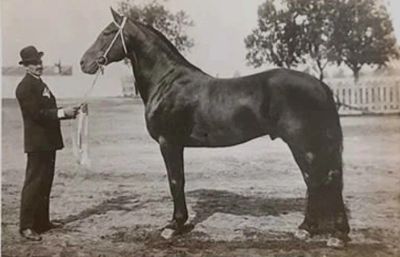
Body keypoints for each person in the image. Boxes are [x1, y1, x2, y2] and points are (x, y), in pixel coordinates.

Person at [15, 45, 81, 241]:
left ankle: (42, 222)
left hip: (48, 142)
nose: (39, 66)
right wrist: (62, 113)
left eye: (39, 62)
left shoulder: (39, 83)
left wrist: (70, 111)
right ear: (26, 66)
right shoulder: (25, 87)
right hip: (37, 143)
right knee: (33, 183)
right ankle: (26, 226)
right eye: (34, 63)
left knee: (45, 183)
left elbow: (48, 110)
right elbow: (37, 114)